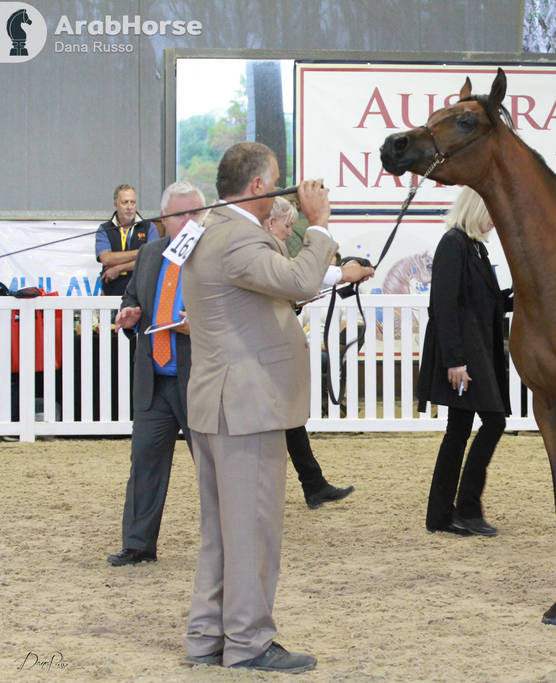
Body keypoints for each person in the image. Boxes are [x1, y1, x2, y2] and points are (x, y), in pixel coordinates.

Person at [180, 141, 373, 672]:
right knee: (253, 530)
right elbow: (298, 279)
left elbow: (276, 291)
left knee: (223, 532)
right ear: (259, 186)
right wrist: (320, 225)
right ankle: (247, 642)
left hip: (223, 404)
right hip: (247, 405)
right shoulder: (239, 235)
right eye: (276, 178)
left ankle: (207, 636)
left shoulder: (210, 229)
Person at [106, 181, 205, 567]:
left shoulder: (212, 256)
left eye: (197, 213)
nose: (190, 221)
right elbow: (132, 298)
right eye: (182, 214)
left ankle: (231, 545)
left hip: (198, 381)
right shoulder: (149, 254)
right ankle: (138, 545)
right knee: (144, 464)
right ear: (164, 218)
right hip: (154, 380)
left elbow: (229, 313)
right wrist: (129, 315)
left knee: (213, 468)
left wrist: (199, 325)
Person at [418, 187, 512, 537]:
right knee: (492, 422)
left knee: (458, 432)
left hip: (475, 352)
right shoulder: (453, 244)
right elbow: (443, 306)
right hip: (464, 357)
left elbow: (485, 301)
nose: (495, 219)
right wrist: (455, 360)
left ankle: (442, 515)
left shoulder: (474, 247)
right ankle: (466, 508)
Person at [264, 196, 355, 510]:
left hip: (271, 351)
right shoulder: (264, 251)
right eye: (287, 225)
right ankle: (308, 485)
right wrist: (343, 274)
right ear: (271, 222)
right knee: (278, 422)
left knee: (288, 419)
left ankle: (313, 484)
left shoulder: (270, 251)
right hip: (262, 354)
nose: (290, 232)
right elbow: (292, 278)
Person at [95, 184, 160, 296]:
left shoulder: (149, 227)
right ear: (116, 204)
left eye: (132, 202)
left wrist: (119, 268)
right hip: (113, 294)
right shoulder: (105, 229)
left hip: (142, 295)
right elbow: (106, 259)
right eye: (125, 202)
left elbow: (152, 259)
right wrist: (143, 252)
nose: (129, 207)